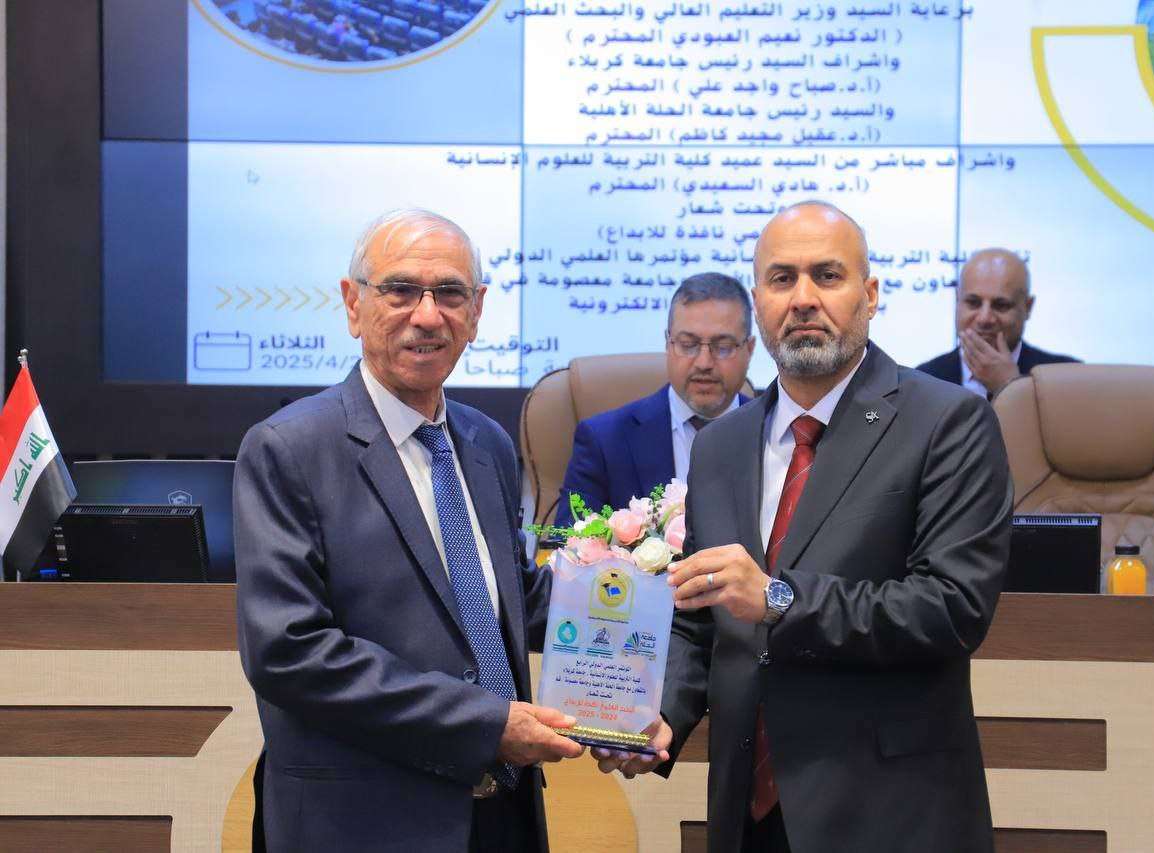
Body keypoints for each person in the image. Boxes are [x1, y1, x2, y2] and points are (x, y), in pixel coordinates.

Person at [594, 202, 1013, 853]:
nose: (804, 298)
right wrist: (659, 714)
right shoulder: (721, 445)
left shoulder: (947, 422)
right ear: (759, 301)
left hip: (891, 815)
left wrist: (778, 599)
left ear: (870, 295)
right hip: (747, 815)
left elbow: (951, 608)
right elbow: (701, 622)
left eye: (828, 275)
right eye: (782, 278)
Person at [234, 209, 583, 853]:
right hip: (365, 824)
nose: (427, 316)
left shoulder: (487, 443)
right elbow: (289, 652)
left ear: (476, 311)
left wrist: (636, 605)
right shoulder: (288, 448)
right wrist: (485, 725)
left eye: (449, 293)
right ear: (353, 304)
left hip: (503, 817)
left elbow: (507, 599)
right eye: (400, 290)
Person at [554, 272, 755, 527]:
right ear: (668, 344)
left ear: (749, 350)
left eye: (723, 346)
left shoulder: (777, 431)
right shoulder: (604, 441)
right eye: (688, 344)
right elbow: (568, 543)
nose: (704, 363)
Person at [917, 247, 1078, 399]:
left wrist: (1011, 387)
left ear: (1028, 307)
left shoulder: (1067, 377)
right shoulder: (922, 381)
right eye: (973, 303)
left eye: (1001, 305)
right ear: (957, 300)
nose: (984, 319)